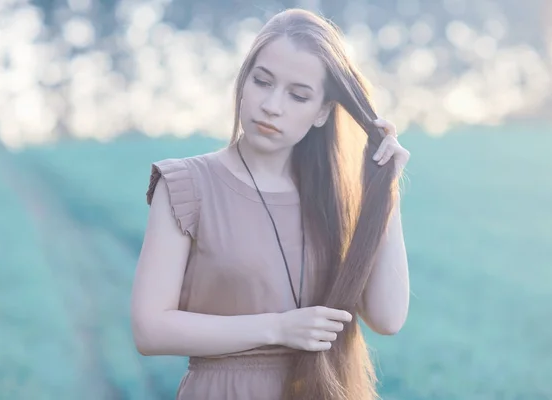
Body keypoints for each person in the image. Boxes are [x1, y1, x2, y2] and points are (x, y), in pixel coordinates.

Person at [131, 8, 411, 400]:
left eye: (298, 95)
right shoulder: (186, 185)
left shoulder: (337, 201)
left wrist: (385, 189)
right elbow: (150, 329)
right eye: (262, 82)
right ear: (243, 82)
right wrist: (278, 328)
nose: (272, 105)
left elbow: (388, 317)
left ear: (322, 113)